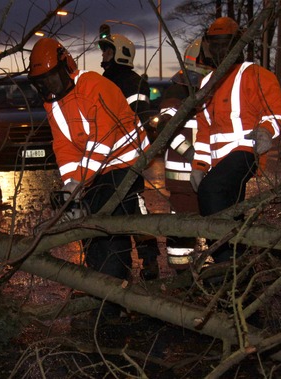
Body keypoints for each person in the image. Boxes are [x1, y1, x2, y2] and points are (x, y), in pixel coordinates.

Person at [28, 37, 150, 322]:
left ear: (65, 67)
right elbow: (64, 146)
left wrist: (78, 183)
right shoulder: (53, 104)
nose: (48, 88)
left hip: (125, 162)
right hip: (95, 168)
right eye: (42, 83)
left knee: (108, 227)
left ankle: (111, 302)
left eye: (51, 80)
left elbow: (103, 139)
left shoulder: (95, 86)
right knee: (90, 227)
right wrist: (71, 185)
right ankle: (101, 290)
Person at [190, 17, 281, 264]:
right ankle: (237, 270)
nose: (221, 50)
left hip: (246, 153)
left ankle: (226, 263)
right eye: (216, 44)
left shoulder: (255, 75)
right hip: (220, 162)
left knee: (210, 192)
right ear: (208, 47)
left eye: (226, 44)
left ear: (239, 45)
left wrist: (266, 131)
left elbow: (277, 111)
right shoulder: (206, 83)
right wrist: (199, 166)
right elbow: (204, 132)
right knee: (227, 212)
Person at [98, 32, 160, 280]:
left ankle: (146, 259)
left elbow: (139, 117)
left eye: (107, 50)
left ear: (119, 53)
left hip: (124, 157)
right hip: (110, 157)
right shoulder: (108, 80)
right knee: (131, 208)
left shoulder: (129, 82)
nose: (103, 55)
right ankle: (139, 260)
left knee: (133, 206)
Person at [156, 37, 212, 270]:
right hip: (184, 178)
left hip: (205, 175)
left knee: (210, 225)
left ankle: (212, 276)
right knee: (182, 230)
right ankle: (182, 278)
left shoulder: (204, 91)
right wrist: (192, 155)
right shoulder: (177, 93)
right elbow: (167, 129)